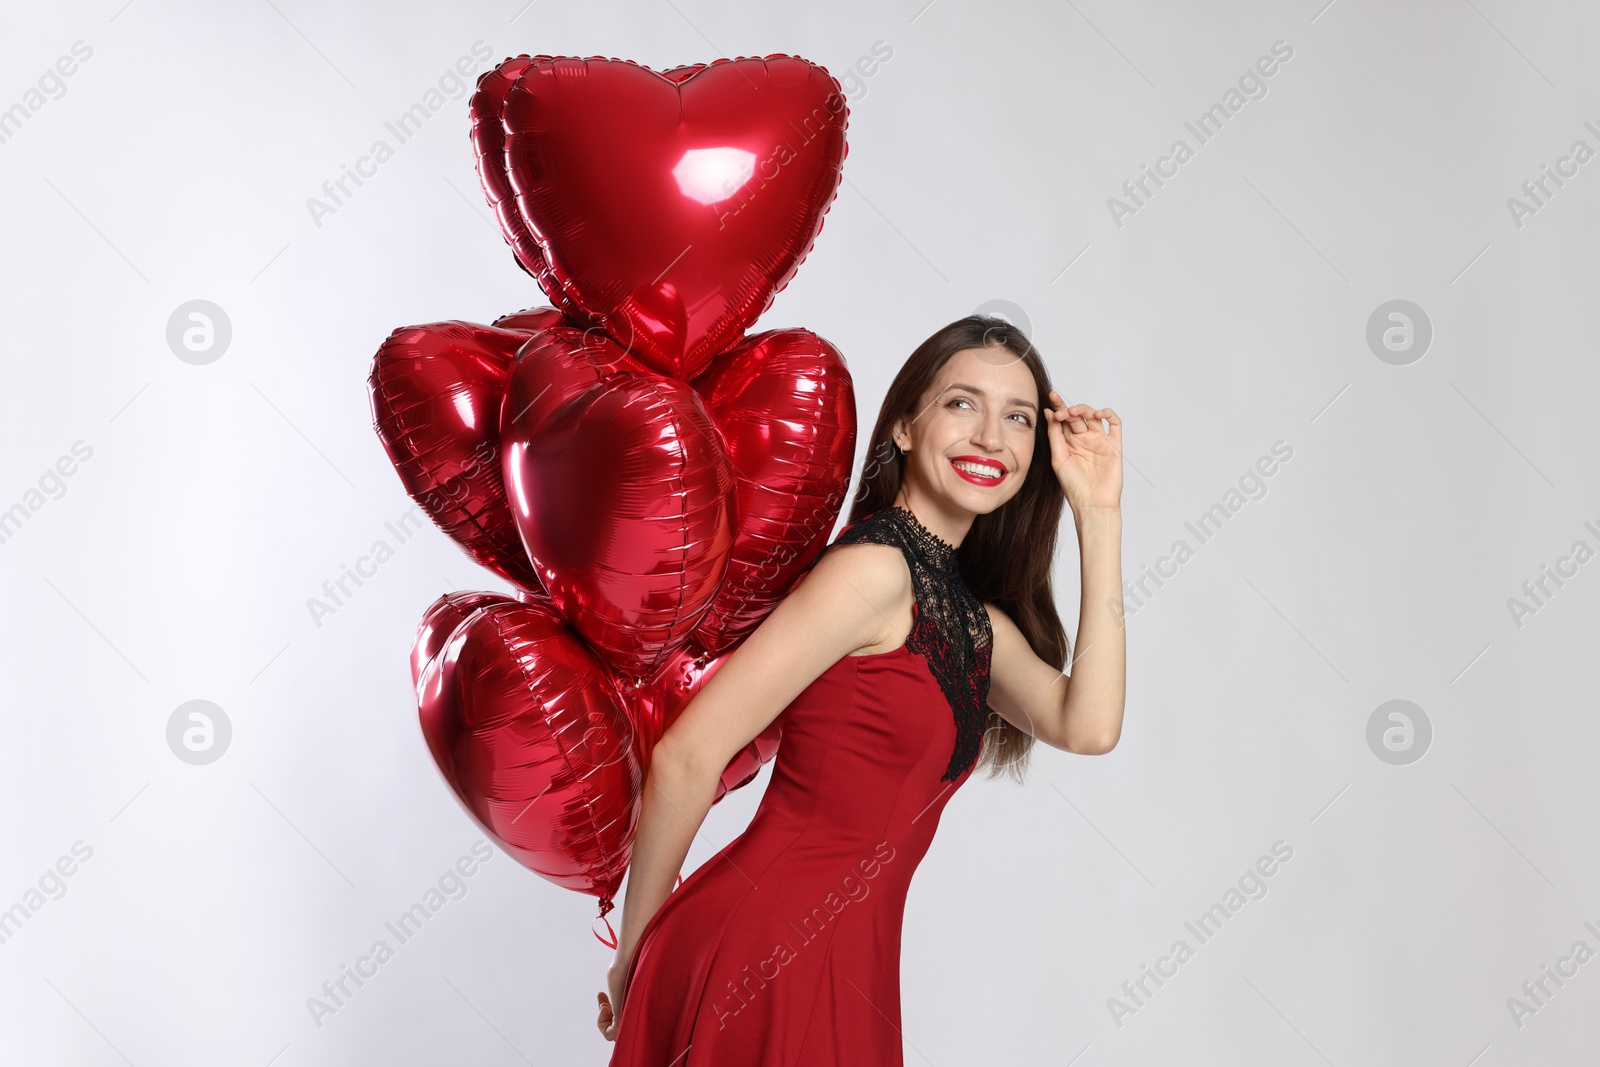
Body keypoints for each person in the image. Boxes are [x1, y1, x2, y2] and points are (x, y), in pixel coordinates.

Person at [597, 314, 1126, 1063]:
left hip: (850, 965)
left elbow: (1089, 724)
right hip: (764, 951)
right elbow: (686, 753)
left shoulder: (971, 621)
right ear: (906, 425)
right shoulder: (874, 573)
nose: (990, 437)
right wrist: (636, 952)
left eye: (1016, 416)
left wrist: (1098, 515)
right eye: (961, 403)